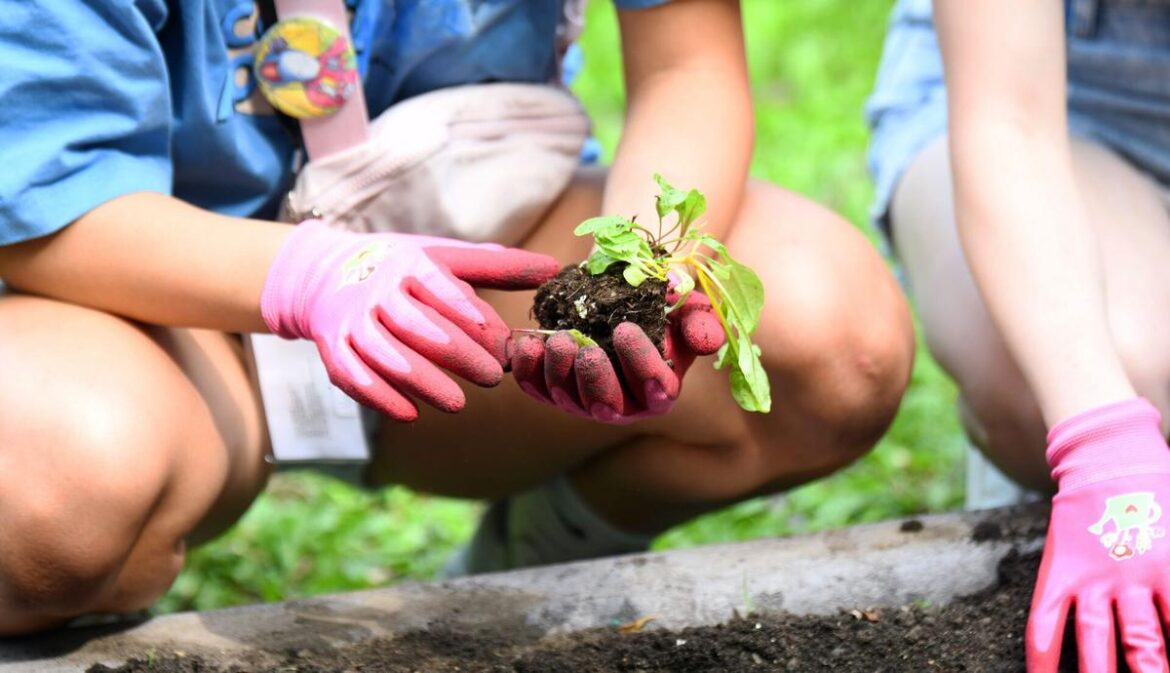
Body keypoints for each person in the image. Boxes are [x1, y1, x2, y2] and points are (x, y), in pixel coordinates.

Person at [0, 0, 914, 634]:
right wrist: (313, 274)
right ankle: (97, 613)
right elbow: (47, 202)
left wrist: (639, 273)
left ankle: (533, 570)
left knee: (829, 336)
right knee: (44, 488)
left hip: (480, 283)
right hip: (170, 319)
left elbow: (688, 68)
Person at [868, 0, 1170, 669]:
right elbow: (1009, 125)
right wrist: (1105, 446)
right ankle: (1045, 448)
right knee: (1109, 366)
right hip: (1040, 102)